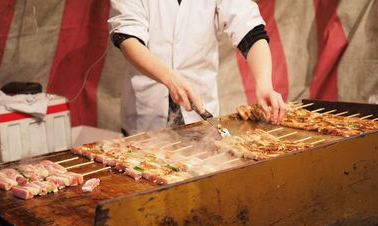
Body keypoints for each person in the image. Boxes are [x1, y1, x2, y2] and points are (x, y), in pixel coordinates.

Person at [109, 0, 287, 136]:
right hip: (147, 111)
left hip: (201, 113)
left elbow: (250, 30)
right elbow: (127, 38)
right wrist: (170, 79)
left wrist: (264, 85)